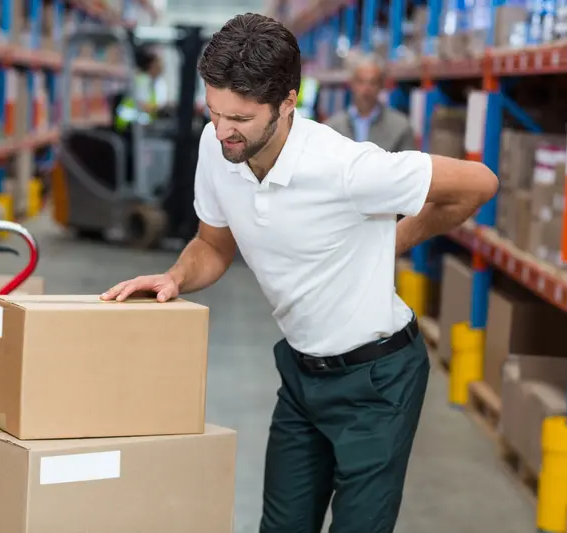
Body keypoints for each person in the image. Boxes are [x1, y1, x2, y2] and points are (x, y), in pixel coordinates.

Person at [101, 13, 498, 533]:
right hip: (302, 373)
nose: (222, 131)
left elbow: (480, 182)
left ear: (288, 102)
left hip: (378, 381)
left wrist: (402, 236)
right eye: (213, 111)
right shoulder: (214, 147)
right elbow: (213, 244)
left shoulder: (349, 169)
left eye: (239, 118)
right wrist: (176, 276)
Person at [326, 51, 415, 152]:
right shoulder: (332, 127)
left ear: (382, 85)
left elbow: (409, 166)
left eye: (373, 83)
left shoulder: (400, 127)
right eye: (361, 82)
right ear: (351, 83)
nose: (366, 89)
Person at [114, 45, 171, 131]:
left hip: (142, 125)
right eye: (159, 62)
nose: (162, 66)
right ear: (151, 65)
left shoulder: (157, 81)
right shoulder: (142, 80)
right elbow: (144, 105)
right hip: (129, 123)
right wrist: (157, 108)